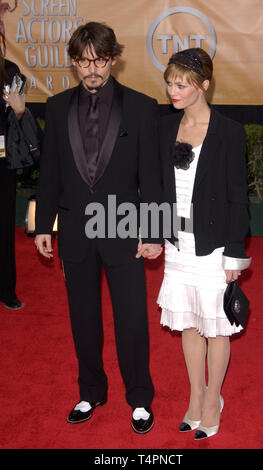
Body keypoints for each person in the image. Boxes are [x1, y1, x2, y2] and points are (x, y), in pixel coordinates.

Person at [35, 22, 162, 434]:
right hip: (74, 230)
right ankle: (91, 390)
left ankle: (140, 398)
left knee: (131, 320)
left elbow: (152, 177)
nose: (93, 69)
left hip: (124, 228)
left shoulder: (142, 107)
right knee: (82, 318)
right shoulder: (55, 107)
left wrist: (155, 230)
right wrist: (42, 225)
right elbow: (50, 171)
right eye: (85, 61)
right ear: (73, 61)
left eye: (101, 60)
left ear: (113, 59)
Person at [157, 48, 251, 440]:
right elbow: (158, 189)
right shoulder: (163, 128)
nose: (172, 90)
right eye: (169, 82)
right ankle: (195, 396)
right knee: (189, 323)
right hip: (178, 245)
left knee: (216, 327)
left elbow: (236, 196)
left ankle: (214, 398)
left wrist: (235, 251)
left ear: (204, 85)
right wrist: (153, 234)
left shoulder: (228, 131)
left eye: (182, 84)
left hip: (213, 247)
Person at [0, 51, 25, 310]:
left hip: (2, 159)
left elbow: (13, 118)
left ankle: (6, 288)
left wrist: (19, 112)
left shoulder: (10, 71)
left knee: (4, 225)